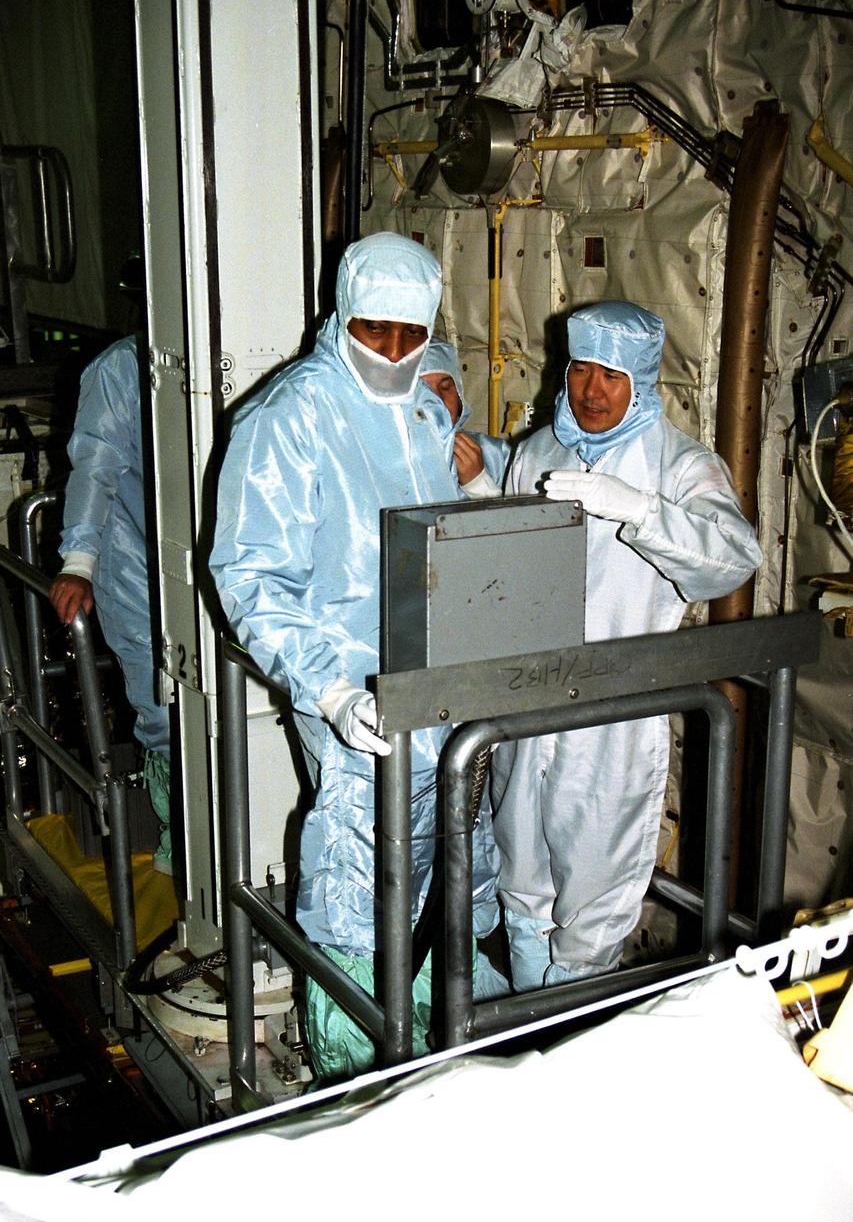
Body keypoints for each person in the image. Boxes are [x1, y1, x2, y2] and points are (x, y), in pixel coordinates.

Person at [209, 232, 501, 1079]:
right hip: (347, 684)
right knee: (359, 851)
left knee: (449, 836)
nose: (395, 353)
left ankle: (444, 1020)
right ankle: (352, 1054)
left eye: (412, 336)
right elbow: (249, 575)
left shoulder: (422, 407)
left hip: (439, 678)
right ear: (342, 315)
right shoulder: (289, 415)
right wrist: (333, 692)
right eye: (376, 333)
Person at [490, 300, 763, 991]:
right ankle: (526, 1043)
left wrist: (640, 511)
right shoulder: (537, 453)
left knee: (594, 894)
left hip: (613, 714)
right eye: (581, 370)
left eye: (611, 377)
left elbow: (732, 559)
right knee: (520, 879)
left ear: (641, 382)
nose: (591, 392)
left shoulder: (677, 464)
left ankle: (573, 1040)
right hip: (527, 702)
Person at [49, 333, 173, 873]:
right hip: (134, 559)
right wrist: (79, 564)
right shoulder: (122, 369)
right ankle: (187, 853)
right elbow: (96, 465)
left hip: (212, 558)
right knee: (164, 706)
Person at [419, 338, 511, 496]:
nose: (438, 402)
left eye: (446, 387)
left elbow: (524, 518)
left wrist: (480, 485)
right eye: (423, 391)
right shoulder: (380, 459)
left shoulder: (495, 454)